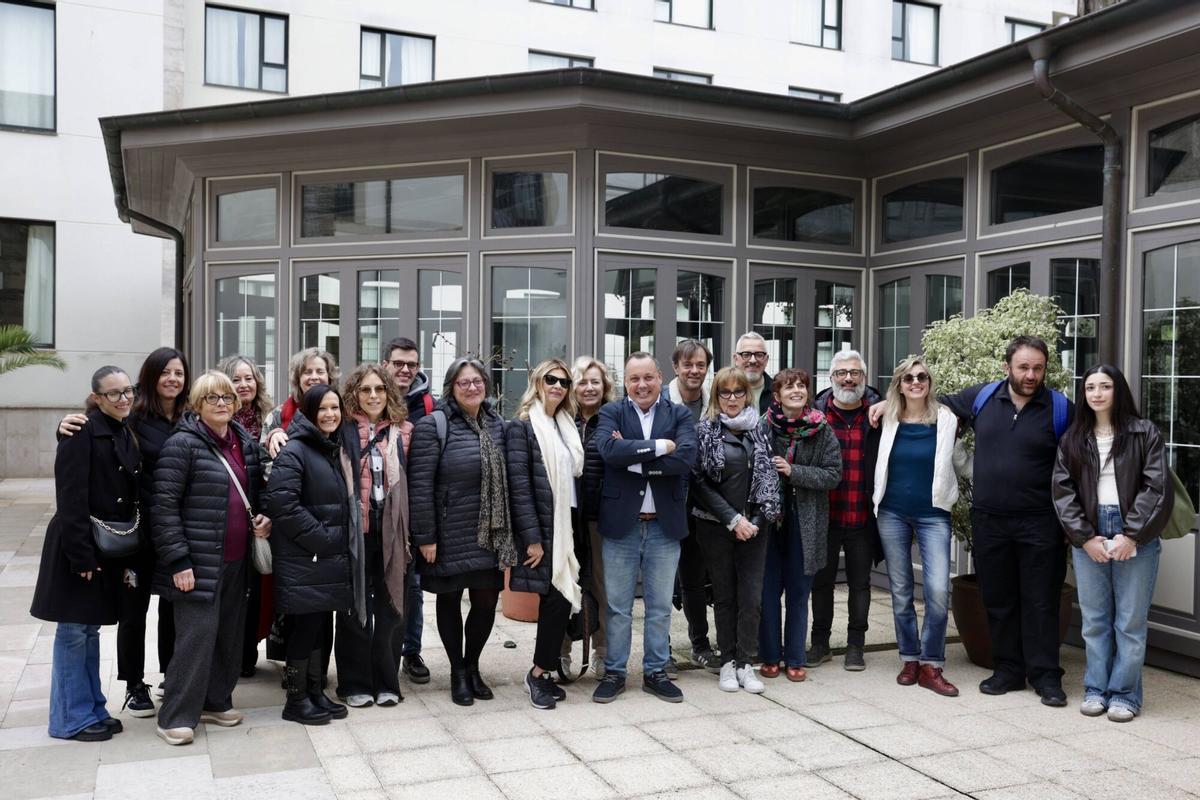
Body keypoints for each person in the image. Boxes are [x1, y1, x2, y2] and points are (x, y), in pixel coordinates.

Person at [874, 336, 1073, 705]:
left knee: (1041, 600)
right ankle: (1008, 670)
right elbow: (931, 402)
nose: (1030, 375)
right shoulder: (982, 398)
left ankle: (1046, 677)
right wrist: (889, 401)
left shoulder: (1060, 408)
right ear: (1007, 367)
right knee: (997, 599)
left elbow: (1077, 463)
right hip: (990, 519)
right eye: (1023, 367)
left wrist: (1070, 522)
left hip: (1040, 521)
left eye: (1037, 368)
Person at [57, 347, 190, 713]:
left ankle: (172, 675)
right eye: (165, 372)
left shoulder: (190, 417)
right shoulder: (132, 415)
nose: (172, 379)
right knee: (134, 609)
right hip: (136, 533)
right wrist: (63, 426)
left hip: (176, 531)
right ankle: (134, 684)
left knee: (174, 608)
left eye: (179, 372)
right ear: (149, 377)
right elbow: (93, 433)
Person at [151, 370, 269, 745]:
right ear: (197, 405)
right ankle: (175, 715)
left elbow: (258, 490)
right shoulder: (182, 444)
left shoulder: (244, 441)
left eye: (228, 398)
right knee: (195, 639)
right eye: (212, 399)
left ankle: (216, 700)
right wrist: (178, 561)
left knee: (229, 635)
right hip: (196, 563)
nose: (222, 405)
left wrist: (264, 515)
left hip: (236, 560)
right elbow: (164, 507)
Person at [1053, 364, 1172, 722]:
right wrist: (1084, 537)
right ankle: (1095, 689)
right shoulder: (1073, 438)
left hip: (1133, 528)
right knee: (1095, 621)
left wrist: (1132, 534)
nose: (1097, 393)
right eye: (1090, 387)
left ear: (1118, 390)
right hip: (1090, 529)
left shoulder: (1143, 432)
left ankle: (1125, 694)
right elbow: (1062, 491)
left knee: (1130, 622)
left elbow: (1157, 487)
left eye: (1105, 386)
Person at [31, 366, 139, 742]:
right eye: (114, 393)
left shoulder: (123, 429)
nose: (123, 398)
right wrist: (81, 558)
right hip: (77, 549)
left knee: (89, 630)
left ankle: (92, 706)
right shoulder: (80, 432)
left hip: (102, 548)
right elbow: (71, 500)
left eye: (128, 390)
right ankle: (69, 719)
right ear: (96, 398)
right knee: (74, 630)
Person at [407, 357, 515, 706]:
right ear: (451, 388)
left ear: (486, 385)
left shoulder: (499, 425)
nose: (472, 388)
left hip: (490, 533)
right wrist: (425, 537)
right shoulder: (433, 426)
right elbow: (420, 486)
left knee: (486, 602)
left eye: (477, 381)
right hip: (448, 533)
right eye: (463, 382)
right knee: (450, 600)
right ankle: (456, 670)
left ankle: (473, 666)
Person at [592, 352, 697, 704]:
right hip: (622, 527)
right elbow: (608, 451)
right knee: (618, 607)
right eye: (634, 378)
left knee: (659, 606)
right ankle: (615, 672)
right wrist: (658, 448)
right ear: (625, 382)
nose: (641, 385)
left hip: (664, 529)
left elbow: (684, 459)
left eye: (648, 377)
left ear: (659, 377)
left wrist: (635, 460)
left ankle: (655, 671)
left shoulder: (679, 413)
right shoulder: (611, 412)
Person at [870, 356, 964, 697]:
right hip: (892, 513)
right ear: (899, 383)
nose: (915, 381)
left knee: (938, 591)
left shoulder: (946, 419)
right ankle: (910, 658)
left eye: (922, 376)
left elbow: (962, 461)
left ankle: (932, 665)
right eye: (908, 377)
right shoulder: (887, 419)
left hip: (933, 514)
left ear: (929, 382)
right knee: (901, 591)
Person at [266, 384, 360, 725]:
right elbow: (283, 504)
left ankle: (315, 692)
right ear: (308, 411)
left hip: (323, 560)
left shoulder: (328, 448)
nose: (330, 414)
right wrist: (323, 539)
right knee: (304, 629)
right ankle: (295, 700)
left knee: (318, 627)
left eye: (335, 408)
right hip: (307, 558)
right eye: (323, 408)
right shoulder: (296, 450)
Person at [690, 367, 781, 694]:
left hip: (755, 529)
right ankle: (727, 662)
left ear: (747, 394)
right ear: (716, 396)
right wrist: (732, 519)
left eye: (738, 392)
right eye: (725, 393)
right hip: (715, 526)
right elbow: (697, 482)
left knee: (751, 598)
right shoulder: (705, 430)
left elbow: (768, 480)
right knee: (725, 597)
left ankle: (745, 663)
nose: (731, 399)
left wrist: (755, 521)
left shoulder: (760, 429)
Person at [507, 359, 586, 709]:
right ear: (537, 382)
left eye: (564, 382)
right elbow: (519, 487)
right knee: (554, 600)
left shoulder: (566, 424)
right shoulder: (523, 427)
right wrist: (532, 538)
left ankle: (545, 671)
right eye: (551, 379)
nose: (558, 386)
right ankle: (538, 673)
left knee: (562, 601)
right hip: (543, 526)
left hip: (569, 523)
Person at [334, 363, 413, 708]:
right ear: (355, 393)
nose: (373, 396)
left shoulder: (404, 431)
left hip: (392, 534)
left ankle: (386, 681)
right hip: (356, 533)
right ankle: (354, 683)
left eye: (379, 389)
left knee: (392, 607)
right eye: (366, 390)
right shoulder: (343, 430)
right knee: (353, 608)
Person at [759, 368, 841, 681]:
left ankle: (795, 657)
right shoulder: (764, 427)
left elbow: (833, 475)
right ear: (776, 396)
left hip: (806, 523)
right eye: (789, 387)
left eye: (801, 386)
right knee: (768, 592)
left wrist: (794, 471)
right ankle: (769, 656)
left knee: (797, 593)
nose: (796, 391)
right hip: (769, 521)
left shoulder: (822, 429)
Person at [809, 350, 882, 671]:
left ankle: (856, 646)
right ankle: (820, 643)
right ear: (831, 378)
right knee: (821, 583)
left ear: (864, 379)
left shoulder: (879, 415)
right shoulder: (816, 415)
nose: (848, 379)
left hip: (862, 516)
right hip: (825, 516)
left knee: (860, 584)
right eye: (841, 373)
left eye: (854, 373)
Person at [665, 339, 720, 673]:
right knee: (660, 582)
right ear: (676, 367)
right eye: (688, 365)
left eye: (700, 365)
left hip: (704, 506)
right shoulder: (661, 402)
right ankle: (662, 651)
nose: (694, 371)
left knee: (694, 580)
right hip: (667, 502)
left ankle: (700, 645)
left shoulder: (714, 402)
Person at [218, 354, 273, 679]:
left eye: (249, 378)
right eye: (236, 379)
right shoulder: (218, 418)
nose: (243, 384)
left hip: (262, 515)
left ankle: (248, 652)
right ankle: (232, 654)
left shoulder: (270, 417)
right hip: (230, 517)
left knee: (258, 588)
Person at [381, 336, 431, 685]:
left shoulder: (428, 404)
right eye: (398, 363)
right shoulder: (368, 394)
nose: (405, 370)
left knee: (412, 586)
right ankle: (378, 650)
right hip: (376, 504)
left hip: (413, 507)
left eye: (411, 364)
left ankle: (410, 651)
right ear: (386, 363)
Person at [572, 355, 616, 678]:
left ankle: (604, 652)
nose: (589, 388)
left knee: (603, 587)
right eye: (582, 382)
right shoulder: (561, 419)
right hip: (567, 517)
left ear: (605, 387)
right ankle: (559, 651)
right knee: (564, 586)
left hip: (602, 518)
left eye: (595, 382)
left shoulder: (615, 418)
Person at [264, 347, 339, 457]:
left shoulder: (341, 413)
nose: (314, 377)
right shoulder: (277, 415)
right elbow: (265, 460)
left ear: (329, 377)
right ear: (298, 379)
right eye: (307, 372)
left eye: (320, 371)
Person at [733, 332, 773, 413]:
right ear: (735, 359)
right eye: (746, 354)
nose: (753, 360)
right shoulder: (723, 392)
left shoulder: (778, 392)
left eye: (759, 354)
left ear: (767, 359)